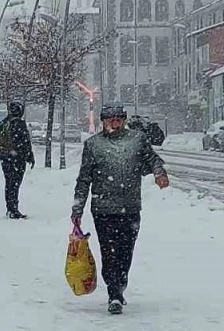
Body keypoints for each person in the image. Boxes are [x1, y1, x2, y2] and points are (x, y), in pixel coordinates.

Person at [71, 104, 169, 315]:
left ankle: (121, 282)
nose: (114, 122)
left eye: (118, 119)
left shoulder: (137, 140)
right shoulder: (93, 145)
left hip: (130, 207)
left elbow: (153, 159)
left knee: (126, 251)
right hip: (103, 209)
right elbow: (84, 179)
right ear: (103, 121)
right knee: (108, 252)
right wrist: (77, 208)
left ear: (124, 120)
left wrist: (159, 172)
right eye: (110, 119)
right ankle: (113, 292)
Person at [0, 101, 35, 219]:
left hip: (6, 159)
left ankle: (10, 208)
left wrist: (5, 153)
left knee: (9, 182)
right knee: (15, 184)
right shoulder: (20, 124)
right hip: (18, 159)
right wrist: (29, 156)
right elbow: (25, 142)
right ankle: (13, 208)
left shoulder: (3, 123)